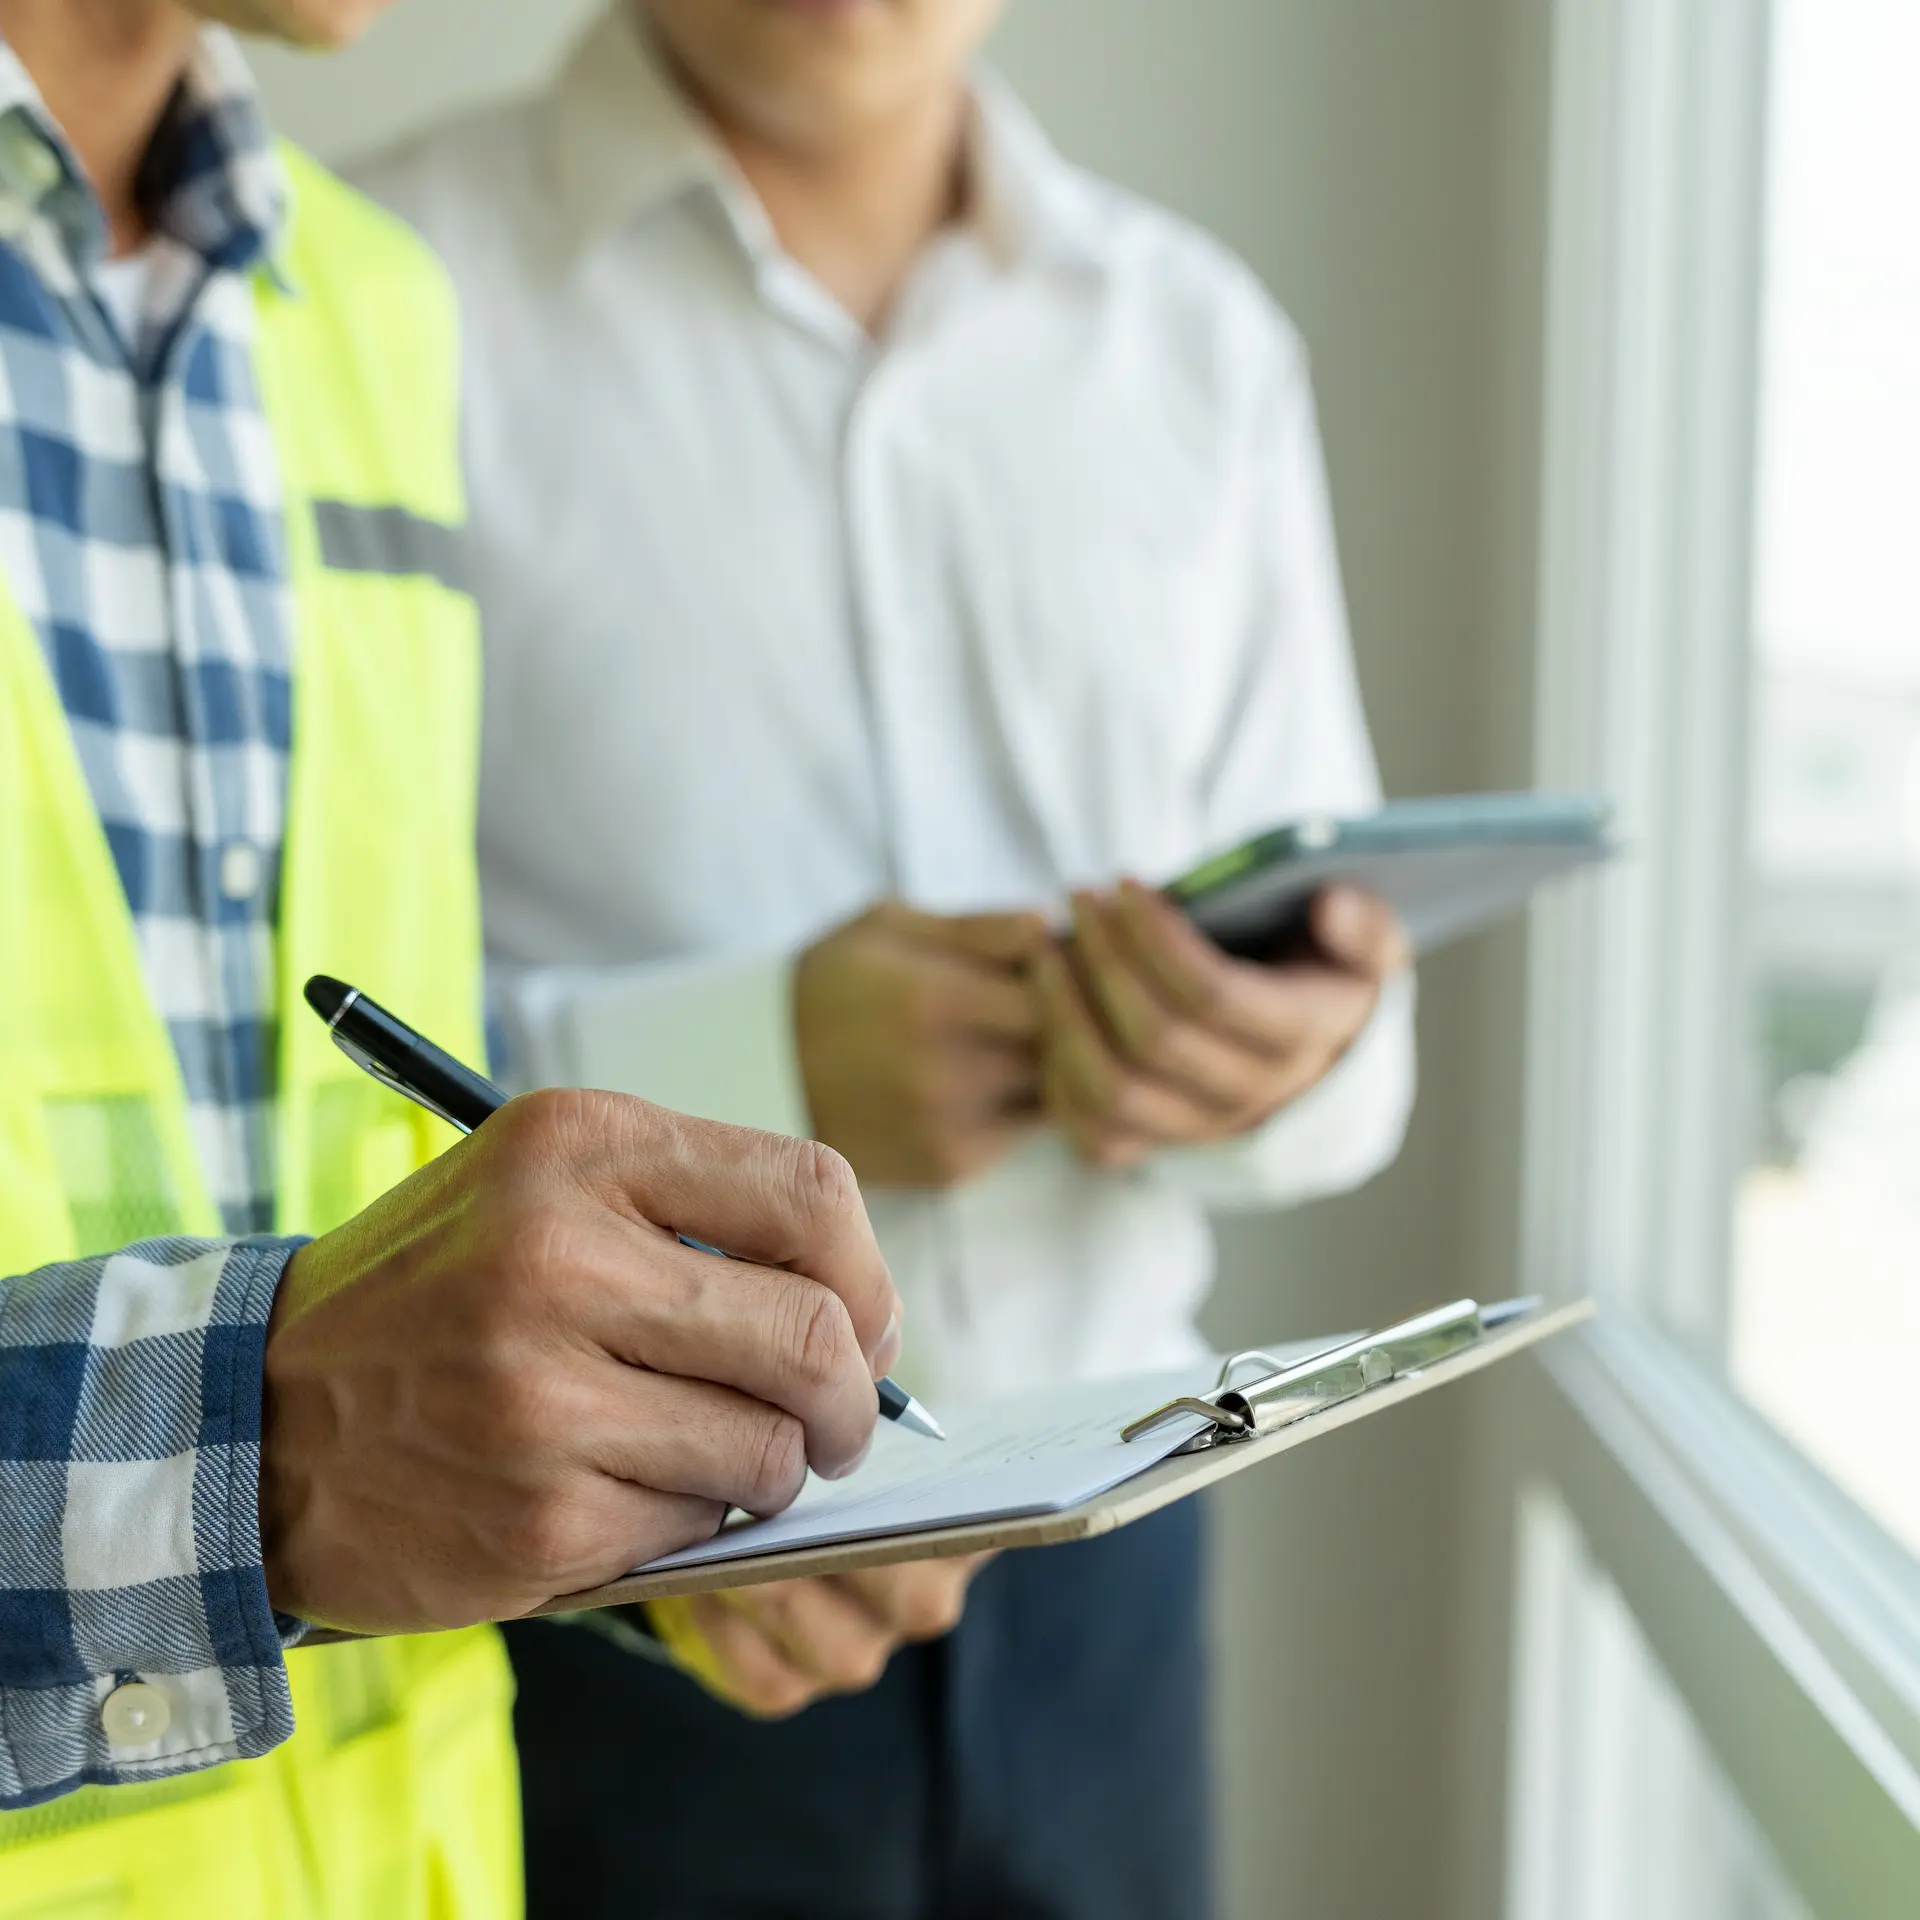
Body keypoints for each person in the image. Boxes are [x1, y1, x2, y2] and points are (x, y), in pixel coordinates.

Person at [363, 2, 1416, 1914]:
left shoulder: (1200, 347)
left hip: (1121, 1564)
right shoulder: (378, 301)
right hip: (632, 1578)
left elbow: (1355, 1048)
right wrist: (765, 1063)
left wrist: (1280, 1059)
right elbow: (293, 1050)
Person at [0, 3, 906, 1916]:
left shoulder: (368, 310)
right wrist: (264, 1448)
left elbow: (354, 1166)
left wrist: (622, 1456)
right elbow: (299, 1402)